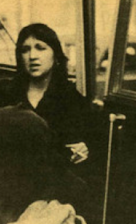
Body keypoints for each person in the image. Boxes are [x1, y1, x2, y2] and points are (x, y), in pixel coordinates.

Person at [10, 23, 93, 166]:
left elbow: (87, 142)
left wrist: (84, 148)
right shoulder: (6, 94)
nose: (32, 56)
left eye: (40, 48)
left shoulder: (72, 100)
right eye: (25, 50)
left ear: (56, 56)